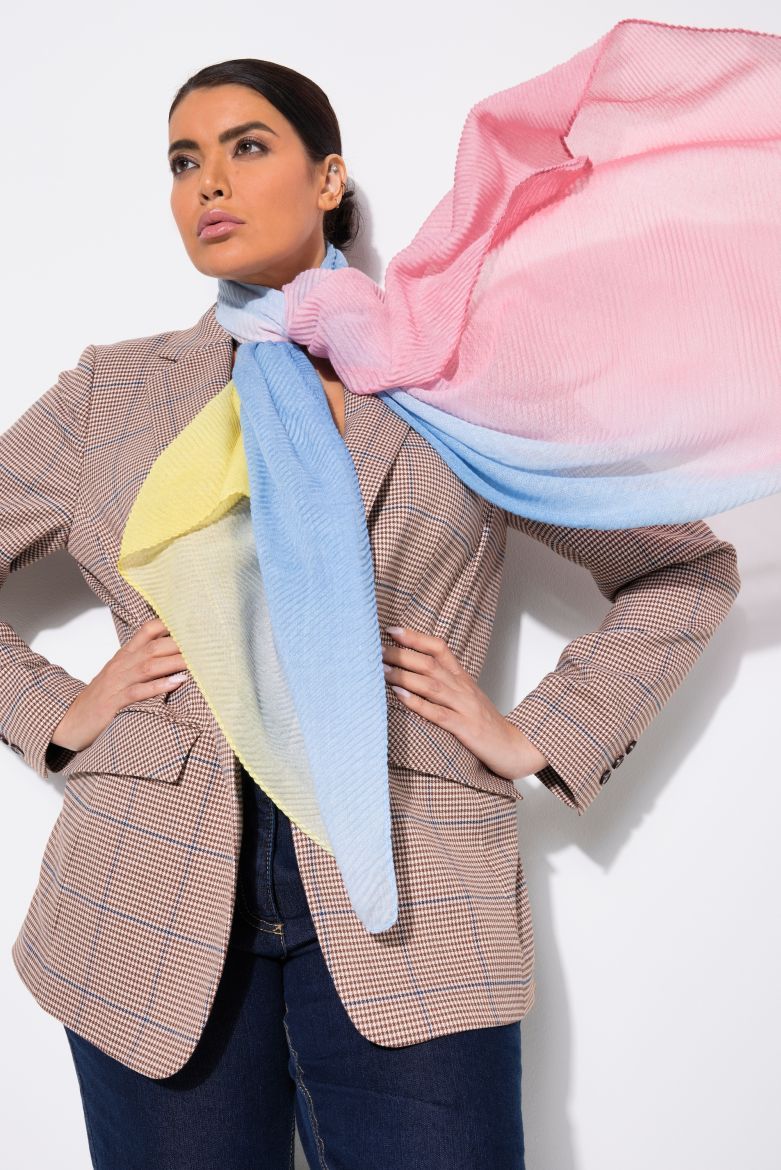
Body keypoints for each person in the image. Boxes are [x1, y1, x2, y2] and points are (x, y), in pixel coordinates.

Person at [1, 58, 741, 1170]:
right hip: (147, 889)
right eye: (184, 161)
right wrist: (57, 711)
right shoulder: (115, 393)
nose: (209, 183)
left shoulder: (448, 380)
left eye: (247, 147)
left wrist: (536, 734)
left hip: (414, 879)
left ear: (328, 178)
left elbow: (682, 567)